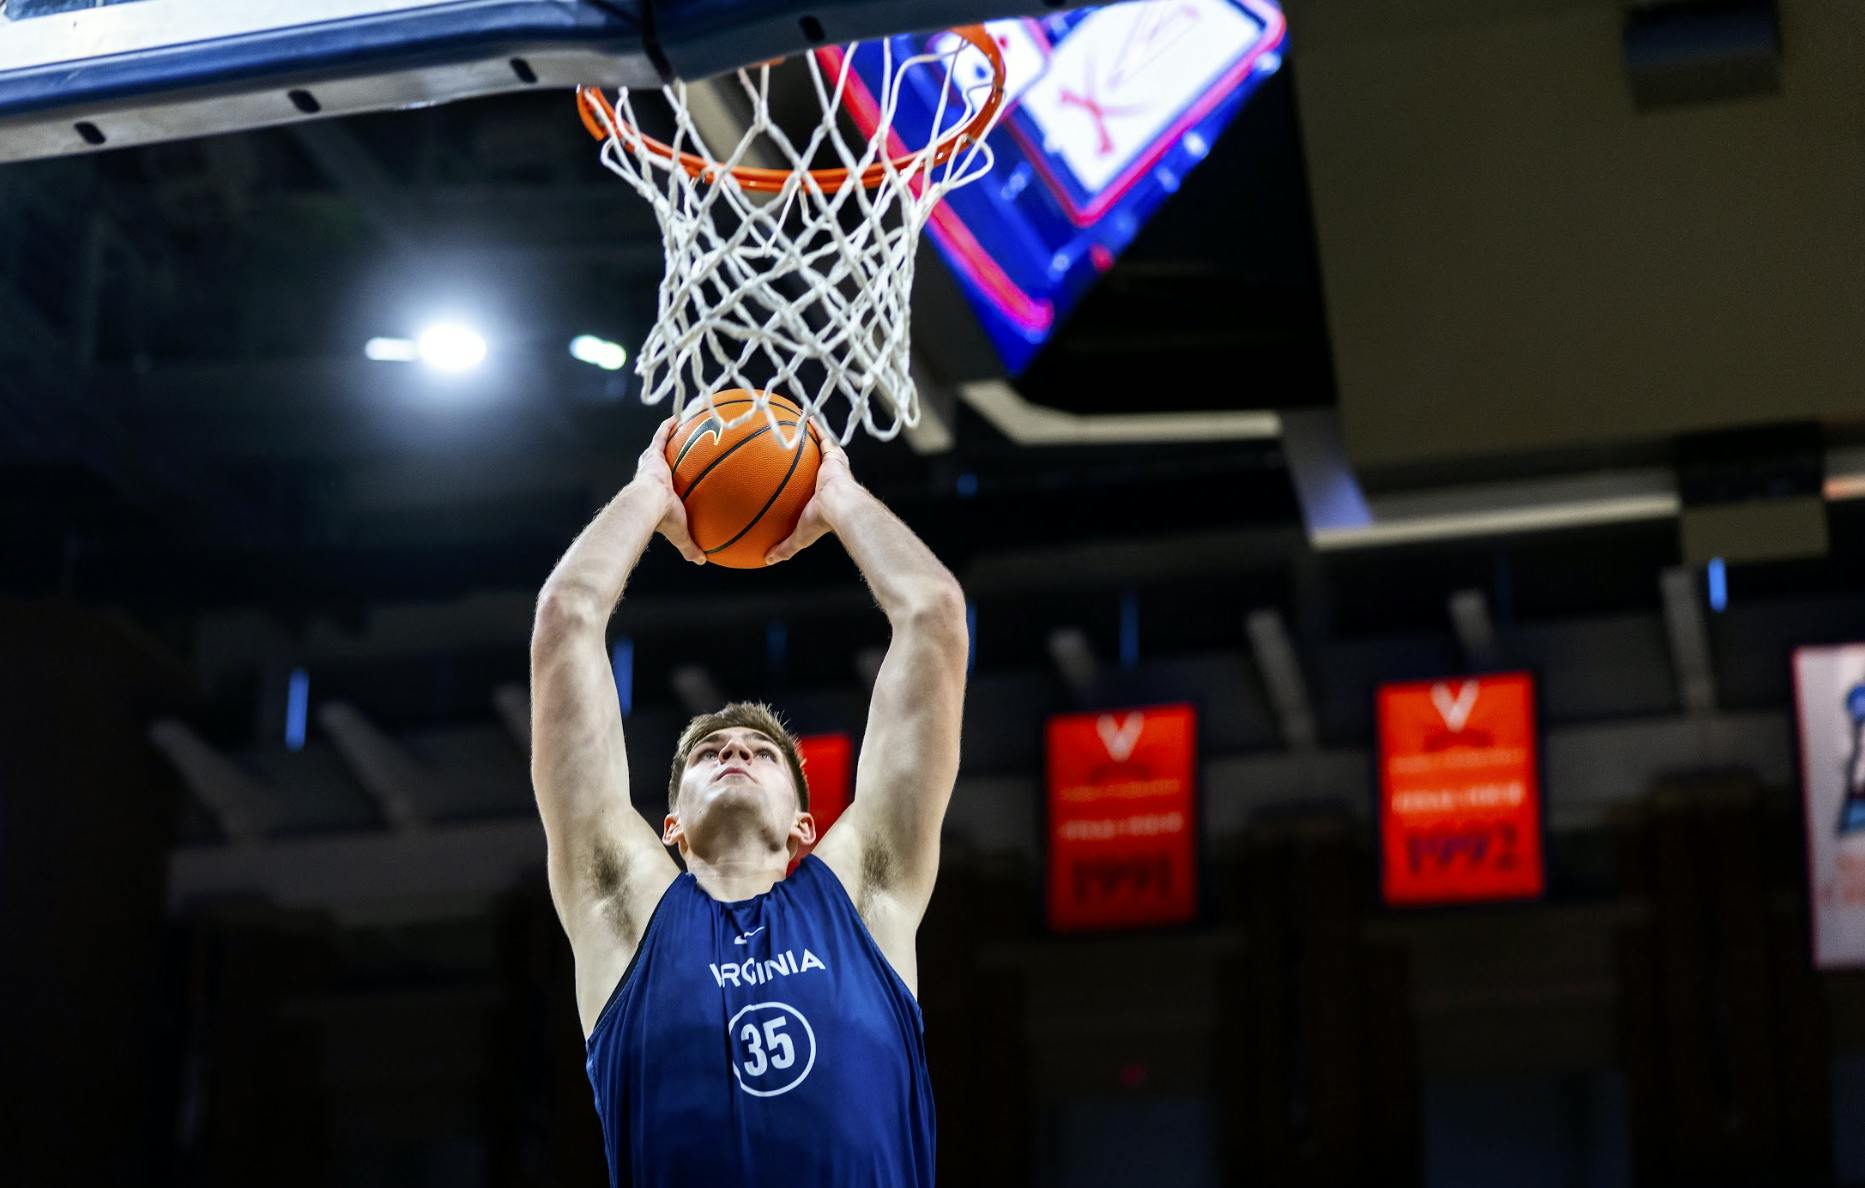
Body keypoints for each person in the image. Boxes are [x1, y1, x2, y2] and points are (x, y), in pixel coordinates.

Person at [529, 415, 969, 1188]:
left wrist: (837, 494)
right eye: (707, 755)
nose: (733, 751)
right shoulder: (623, 912)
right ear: (670, 828)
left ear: (806, 823)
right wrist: (647, 493)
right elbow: (566, 620)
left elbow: (932, 615)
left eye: (762, 754)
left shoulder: (866, 892)